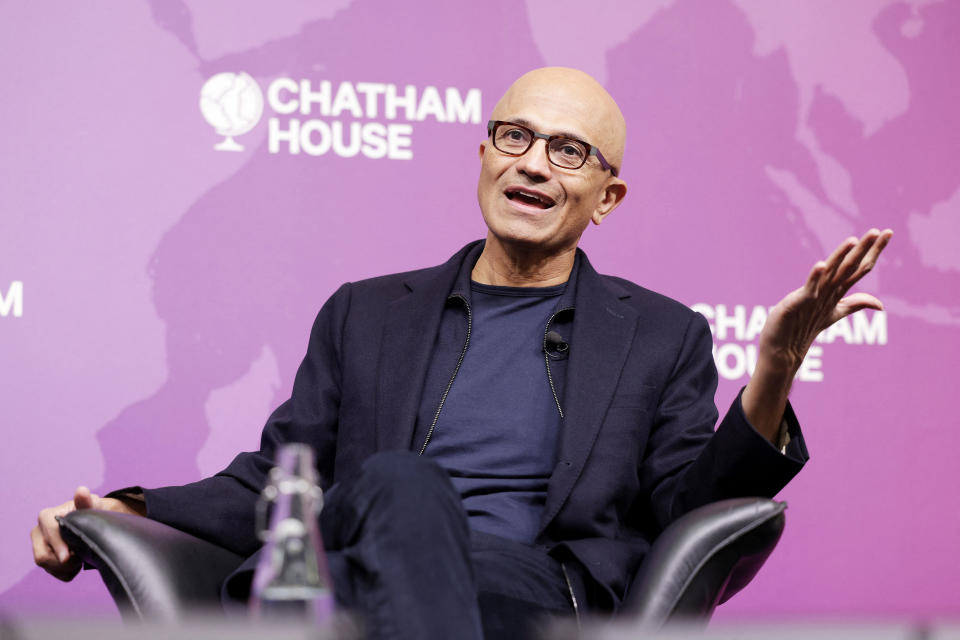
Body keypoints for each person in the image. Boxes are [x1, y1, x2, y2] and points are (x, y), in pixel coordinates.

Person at [32, 67, 892, 639]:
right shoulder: (366, 312)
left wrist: (773, 369)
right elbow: (276, 476)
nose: (534, 165)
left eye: (569, 152)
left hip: (524, 596)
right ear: (482, 155)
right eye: (515, 137)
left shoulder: (662, 337)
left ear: (608, 196)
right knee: (403, 484)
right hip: (347, 573)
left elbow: (687, 513)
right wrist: (130, 508)